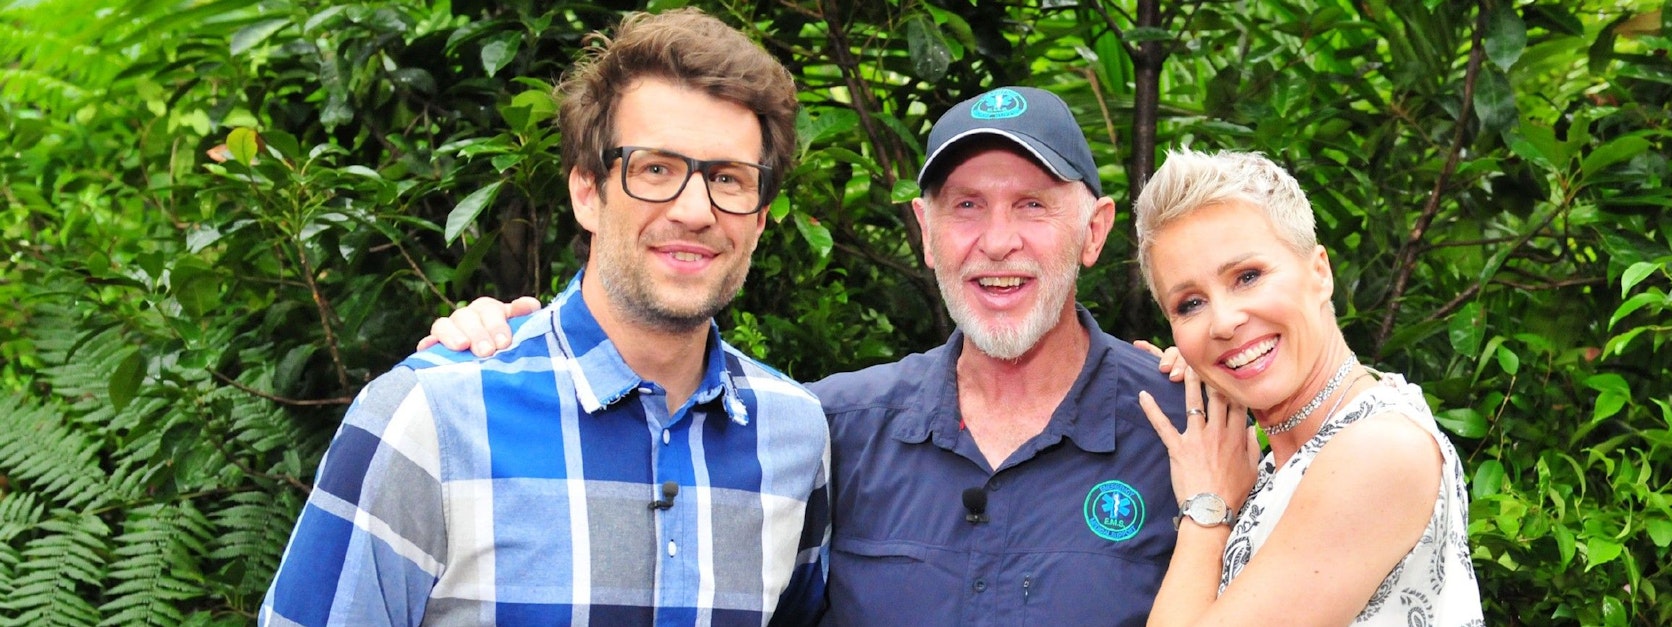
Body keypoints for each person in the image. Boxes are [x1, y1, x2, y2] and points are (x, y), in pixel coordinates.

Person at [425, 86, 1189, 625]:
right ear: (925, 232)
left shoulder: (1185, 427)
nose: (996, 241)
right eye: (966, 205)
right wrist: (521, 346)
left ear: (1093, 231)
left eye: (1032, 204)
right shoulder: (819, 428)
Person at [263, 9, 830, 625]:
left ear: (761, 216)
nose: (695, 210)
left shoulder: (793, 435)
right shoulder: (432, 418)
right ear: (587, 192)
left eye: (728, 178)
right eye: (655, 169)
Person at [1130, 149, 1483, 625]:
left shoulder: (1377, 451)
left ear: (1320, 273)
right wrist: (1198, 389)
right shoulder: (1293, 455)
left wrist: (1207, 509)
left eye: (1248, 277)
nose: (1224, 322)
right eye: (1190, 304)